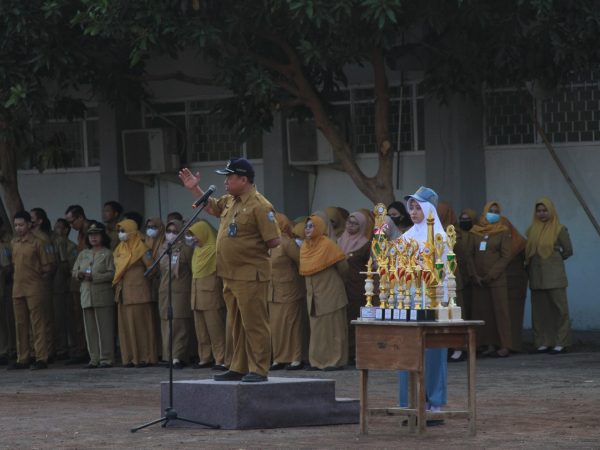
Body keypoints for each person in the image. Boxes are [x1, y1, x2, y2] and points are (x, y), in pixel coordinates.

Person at [179, 157, 280, 382]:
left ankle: (259, 369)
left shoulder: (260, 206)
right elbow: (212, 206)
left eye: (230, 177)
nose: (225, 182)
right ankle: (239, 366)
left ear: (244, 179)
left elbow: (273, 241)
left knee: (254, 324)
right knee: (235, 324)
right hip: (230, 276)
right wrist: (195, 188)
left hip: (250, 276)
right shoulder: (230, 201)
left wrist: (247, 250)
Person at [397, 187, 448, 422]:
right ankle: (410, 404)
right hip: (408, 301)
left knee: (434, 352)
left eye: (419, 207)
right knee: (407, 352)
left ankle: (434, 404)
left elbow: (444, 272)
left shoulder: (440, 236)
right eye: (412, 207)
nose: (414, 212)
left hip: (433, 301)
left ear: (429, 209)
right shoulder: (406, 237)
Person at [300, 214, 349, 370]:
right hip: (313, 294)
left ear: (320, 227)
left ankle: (335, 361)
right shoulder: (305, 247)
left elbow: (343, 267)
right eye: (306, 226)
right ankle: (318, 361)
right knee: (318, 330)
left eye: (311, 226)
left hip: (330, 291)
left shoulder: (328, 244)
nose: (308, 229)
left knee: (333, 328)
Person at [525, 198, 573, 354]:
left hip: (554, 276)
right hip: (537, 276)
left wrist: (554, 260)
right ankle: (543, 341)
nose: (542, 214)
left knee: (559, 310)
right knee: (540, 311)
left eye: (545, 210)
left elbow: (568, 251)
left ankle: (561, 342)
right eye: (539, 211)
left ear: (551, 211)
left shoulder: (560, 229)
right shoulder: (531, 230)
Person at [8, 211, 54, 370]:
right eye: (16, 225)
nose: (18, 228)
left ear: (29, 224)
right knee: (20, 324)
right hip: (17, 288)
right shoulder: (14, 242)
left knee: (37, 323)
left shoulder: (38, 242)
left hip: (34, 287)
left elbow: (47, 266)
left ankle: (41, 357)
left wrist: (37, 275)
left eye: (21, 225)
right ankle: (23, 357)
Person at [468, 201, 512, 358]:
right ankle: (487, 344)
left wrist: (491, 275)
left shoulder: (503, 231)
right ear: (484, 212)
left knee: (501, 313)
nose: (493, 214)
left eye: (496, 211)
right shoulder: (476, 232)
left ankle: (505, 345)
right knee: (483, 313)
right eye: (490, 211)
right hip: (479, 280)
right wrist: (474, 275)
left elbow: (506, 256)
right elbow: (470, 255)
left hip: (496, 279)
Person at [113, 219, 158, 367]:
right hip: (123, 293)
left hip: (139, 293)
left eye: (124, 230)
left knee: (141, 327)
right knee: (126, 327)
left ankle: (145, 357)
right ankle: (130, 358)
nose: (121, 234)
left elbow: (153, 269)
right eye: (119, 231)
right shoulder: (120, 249)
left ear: (132, 231)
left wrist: (140, 279)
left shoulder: (142, 248)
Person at [72, 222, 116, 368]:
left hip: (102, 295)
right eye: (90, 235)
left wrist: (95, 277)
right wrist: (79, 274)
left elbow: (112, 273)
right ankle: (94, 358)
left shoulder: (108, 253)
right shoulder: (83, 254)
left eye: (96, 234)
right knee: (90, 329)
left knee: (104, 328)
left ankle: (106, 358)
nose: (93, 238)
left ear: (103, 236)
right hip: (86, 295)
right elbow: (74, 271)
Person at [268, 213, 307, 371]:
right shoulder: (266, 244)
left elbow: (301, 262)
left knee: (292, 325)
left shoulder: (287, 242)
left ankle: (296, 358)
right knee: (276, 327)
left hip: (290, 290)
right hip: (272, 292)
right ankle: (279, 358)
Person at [187, 220, 227, 370]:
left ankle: (221, 359)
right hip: (197, 296)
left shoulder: (214, 250)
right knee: (201, 330)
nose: (194, 239)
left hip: (211, 297)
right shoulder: (197, 251)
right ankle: (205, 357)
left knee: (215, 330)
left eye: (196, 235)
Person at [157, 219, 194, 369]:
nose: (171, 235)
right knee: (167, 323)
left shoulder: (186, 249)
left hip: (181, 290)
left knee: (180, 323)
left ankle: (179, 357)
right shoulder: (163, 249)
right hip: (165, 291)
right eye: (168, 231)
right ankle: (169, 356)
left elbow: (192, 269)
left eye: (174, 231)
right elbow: (163, 268)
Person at [338, 211, 370, 363]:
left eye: (355, 223)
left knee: (355, 318)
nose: (350, 225)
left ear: (362, 225)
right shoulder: (339, 241)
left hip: (357, 286)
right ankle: (345, 353)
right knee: (342, 320)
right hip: (340, 285)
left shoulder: (365, 244)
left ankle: (357, 353)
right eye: (349, 222)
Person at [64, 204, 91, 364]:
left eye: (72, 222)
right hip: (78, 278)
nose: (71, 226)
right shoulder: (80, 233)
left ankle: (87, 349)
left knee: (85, 317)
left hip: (88, 278)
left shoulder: (90, 231)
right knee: (77, 317)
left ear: (80, 217)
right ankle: (81, 348)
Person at [500, 211, 528, 352]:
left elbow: (527, 261)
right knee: (502, 316)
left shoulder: (520, 242)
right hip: (499, 284)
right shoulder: (497, 242)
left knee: (515, 316)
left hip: (516, 284)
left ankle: (515, 345)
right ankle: (504, 344)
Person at [52, 219, 78, 360]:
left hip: (67, 287)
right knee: (58, 320)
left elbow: (68, 269)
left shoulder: (71, 247)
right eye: (55, 228)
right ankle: (61, 348)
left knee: (70, 319)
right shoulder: (52, 245)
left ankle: (74, 348)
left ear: (66, 230)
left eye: (59, 228)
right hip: (55, 288)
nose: (56, 230)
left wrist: (62, 253)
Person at [0, 218, 14, 365]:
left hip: (3, 288)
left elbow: (6, 268)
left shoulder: (3, 247)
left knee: (4, 321)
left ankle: (5, 350)